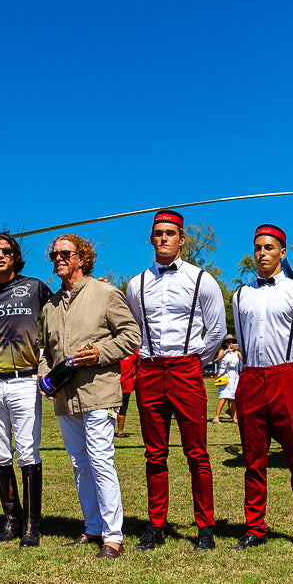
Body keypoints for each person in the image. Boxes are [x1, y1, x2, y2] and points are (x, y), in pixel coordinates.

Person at [121, 209, 227, 552]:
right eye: (158, 234)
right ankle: (156, 524)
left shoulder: (201, 280)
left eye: (170, 233)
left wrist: (196, 360)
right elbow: (133, 330)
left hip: (186, 369)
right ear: (151, 239)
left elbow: (218, 331)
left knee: (197, 453)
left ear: (182, 239)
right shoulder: (136, 284)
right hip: (149, 371)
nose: (163, 238)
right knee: (155, 453)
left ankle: (205, 526)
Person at [38, 234, 139, 559]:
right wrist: (43, 372)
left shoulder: (106, 293)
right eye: (54, 254)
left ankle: (113, 537)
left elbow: (132, 336)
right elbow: (45, 350)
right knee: (80, 464)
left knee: (100, 461)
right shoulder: (51, 305)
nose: (58, 258)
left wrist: (99, 353)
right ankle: (92, 527)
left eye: (64, 253)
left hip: (98, 393)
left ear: (82, 257)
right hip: (65, 398)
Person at [231, 224, 293, 550]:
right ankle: (255, 528)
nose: (262, 254)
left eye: (269, 248)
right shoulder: (241, 294)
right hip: (252, 378)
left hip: (287, 378)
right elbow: (243, 342)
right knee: (254, 460)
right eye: (258, 248)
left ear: (282, 252)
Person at [0, 231, 50, 547]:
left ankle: (32, 525)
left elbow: (60, 312)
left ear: (15, 255)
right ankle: (12, 521)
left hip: (25, 381)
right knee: (0, 454)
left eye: (6, 250)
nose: (0, 255)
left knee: (28, 452)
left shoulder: (34, 287)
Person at [213, 339, 241, 424]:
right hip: (225, 376)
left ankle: (234, 417)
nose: (231, 344)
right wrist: (227, 351)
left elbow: (243, 358)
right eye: (229, 342)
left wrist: (238, 349)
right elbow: (218, 358)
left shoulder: (236, 352)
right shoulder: (223, 351)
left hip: (234, 377)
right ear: (225, 343)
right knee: (224, 397)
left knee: (233, 398)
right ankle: (216, 417)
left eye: (233, 342)